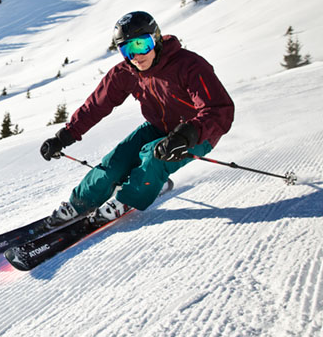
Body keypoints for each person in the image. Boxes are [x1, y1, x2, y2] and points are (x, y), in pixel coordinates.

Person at [40, 11, 234, 225]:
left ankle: (126, 200)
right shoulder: (126, 72)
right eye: (127, 49)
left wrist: (188, 134)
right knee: (116, 162)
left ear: (156, 39)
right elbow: (95, 106)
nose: (135, 56)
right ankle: (80, 203)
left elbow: (219, 109)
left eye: (141, 45)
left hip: (197, 134)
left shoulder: (189, 65)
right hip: (157, 127)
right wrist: (65, 136)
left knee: (153, 157)